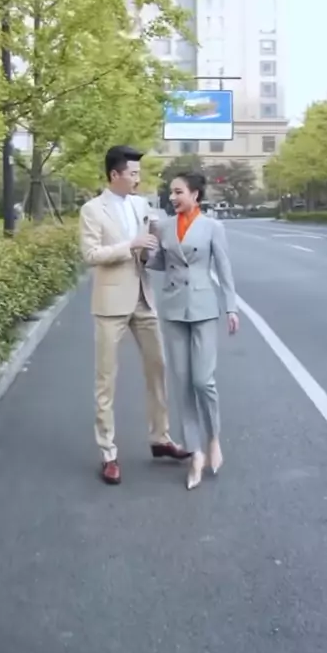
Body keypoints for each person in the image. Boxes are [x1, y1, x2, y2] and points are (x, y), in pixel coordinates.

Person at [79, 146, 191, 485]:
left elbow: (148, 249)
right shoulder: (92, 210)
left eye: (139, 173)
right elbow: (90, 254)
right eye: (132, 173)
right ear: (114, 174)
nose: (137, 179)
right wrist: (130, 245)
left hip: (144, 298)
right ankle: (108, 453)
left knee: (158, 368)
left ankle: (161, 438)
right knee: (106, 380)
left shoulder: (141, 205)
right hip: (110, 303)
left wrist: (150, 246)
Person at [148, 171, 239, 490]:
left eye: (178, 192)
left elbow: (224, 269)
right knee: (183, 383)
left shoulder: (213, 227)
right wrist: (146, 248)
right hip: (174, 307)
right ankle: (195, 452)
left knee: (203, 381)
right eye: (171, 192)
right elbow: (159, 263)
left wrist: (231, 307)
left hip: (203, 307)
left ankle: (214, 438)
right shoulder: (164, 226)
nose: (172, 197)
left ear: (195, 194)